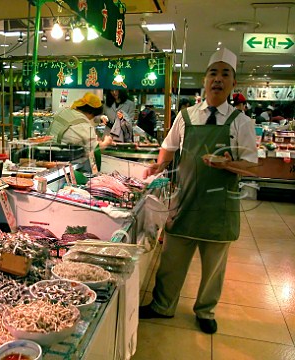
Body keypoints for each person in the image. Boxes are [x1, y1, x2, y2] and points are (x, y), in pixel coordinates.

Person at [139, 48, 258, 334]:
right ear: (205, 80)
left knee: (214, 266)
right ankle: (163, 305)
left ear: (233, 83)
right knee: (171, 260)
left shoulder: (241, 122)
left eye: (225, 74)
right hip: (185, 201)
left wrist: (229, 164)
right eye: (213, 73)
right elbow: (167, 149)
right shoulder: (186, 116)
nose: (218, 79)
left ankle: (205, 311)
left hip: (220, 206)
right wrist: (157, 169)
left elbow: (251, 166)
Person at [48, 92, 113, 172]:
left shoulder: (62, 111)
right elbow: (95, 151)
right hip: (67, 168)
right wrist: (106, 142)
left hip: (49, 160)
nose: (91, 119)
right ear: (91, 112)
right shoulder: (84, 125)